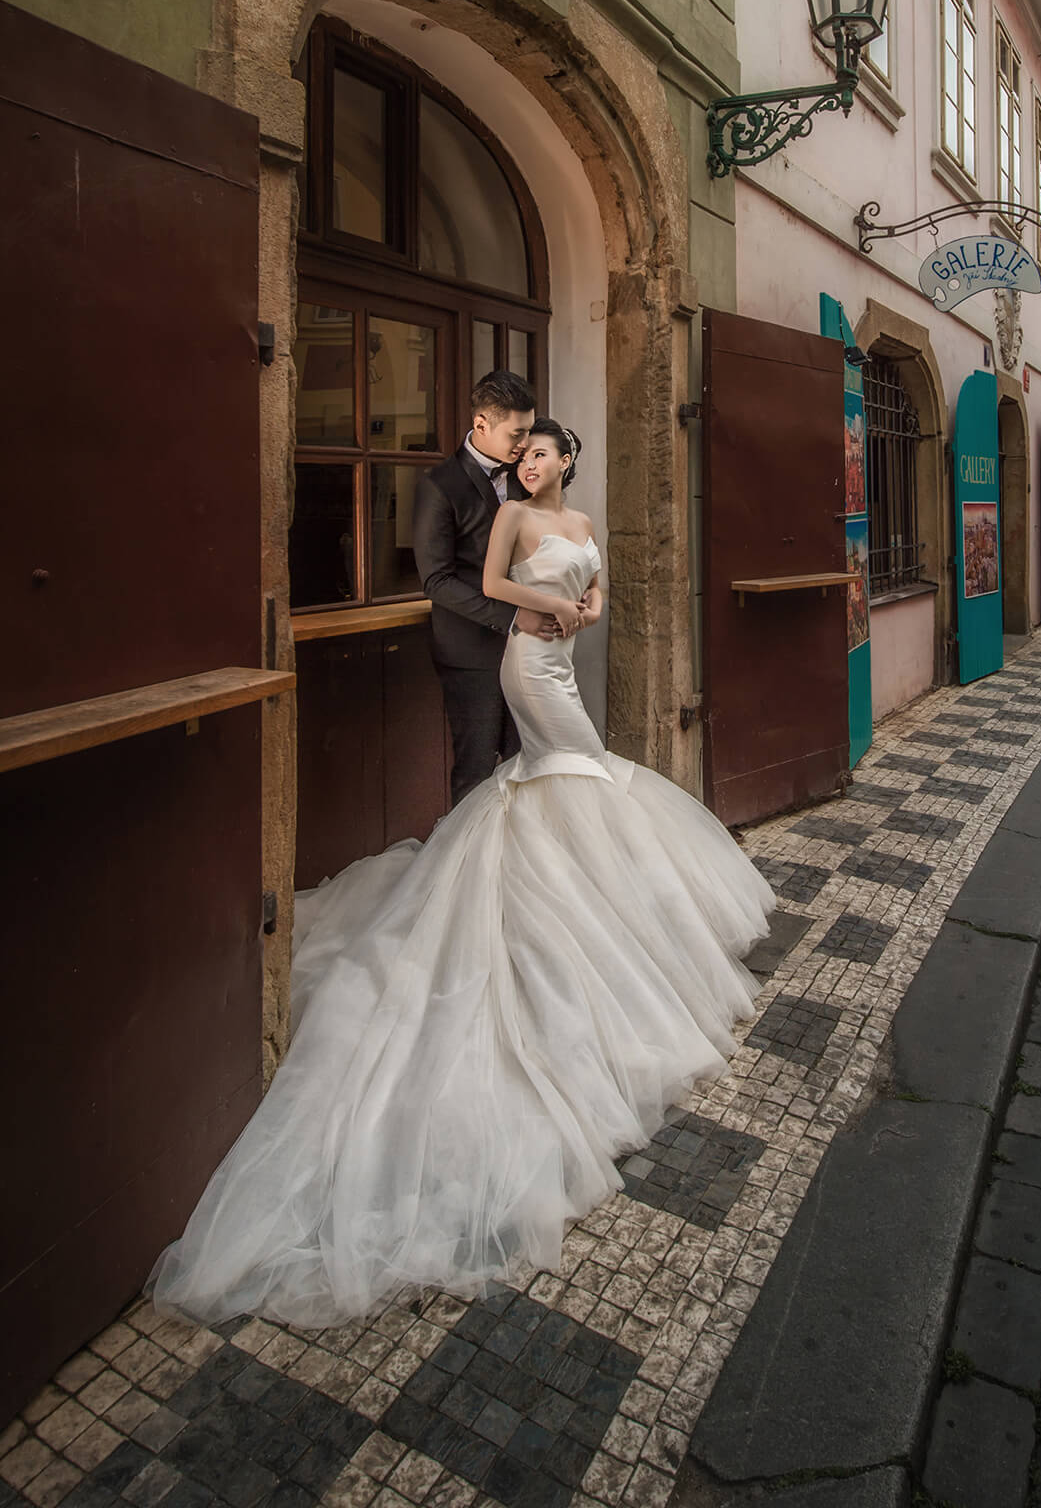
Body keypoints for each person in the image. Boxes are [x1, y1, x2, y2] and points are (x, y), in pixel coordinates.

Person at [149, 422, 775, 1328]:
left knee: (571, 779)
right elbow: (486, 585)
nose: (531, 462)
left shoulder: (587, 516)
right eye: (524, 453)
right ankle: (568, 902)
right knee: (578, 769)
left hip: (562, 650)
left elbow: (598, 586)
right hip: (530, 660)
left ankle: (585, 901)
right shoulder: (516, 516)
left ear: (569, 462)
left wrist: (585, 610)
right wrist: (540, 608)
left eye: (544, 453)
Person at [411, 370, 559, 810]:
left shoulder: (524, 477)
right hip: (470, 653)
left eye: (529, 431)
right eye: (517, 433)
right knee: (476, 773)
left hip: (529, 651)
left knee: (529, 765)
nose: (524, 444)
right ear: (481, 425)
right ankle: (465, 874)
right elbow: (436, 580)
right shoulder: (439, 486)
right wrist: (514, 617)